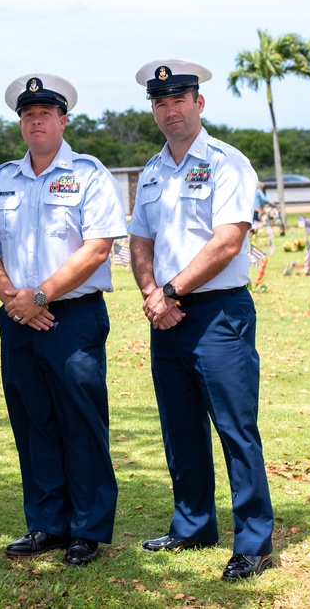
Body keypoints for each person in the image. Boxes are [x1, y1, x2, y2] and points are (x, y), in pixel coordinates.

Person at [127, 59, 274, 582]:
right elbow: (139, 239)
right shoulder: (152, 169)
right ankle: (193, 524)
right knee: (180, 427)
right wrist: (151, 292)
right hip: (165, 317)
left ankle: (254, 539)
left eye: (178, 100)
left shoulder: (228, 162)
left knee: (235, 428)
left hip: (217, 314)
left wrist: (169, 291)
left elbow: (227, 241)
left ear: (199, 104)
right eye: (160, 103)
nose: (169, 110)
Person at [0, 74, 124, 567]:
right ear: (21, 123)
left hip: (73, 318)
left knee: (80, 422)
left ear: (63, 120)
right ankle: (46, 523)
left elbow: (98, 246)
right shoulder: (2, 179)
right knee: (31, 420)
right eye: (27, 114)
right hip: (18, 318)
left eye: (45, 113)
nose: (35, 121)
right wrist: (15, 300)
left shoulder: (89, 173)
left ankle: (87, 529)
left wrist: (40, 295)